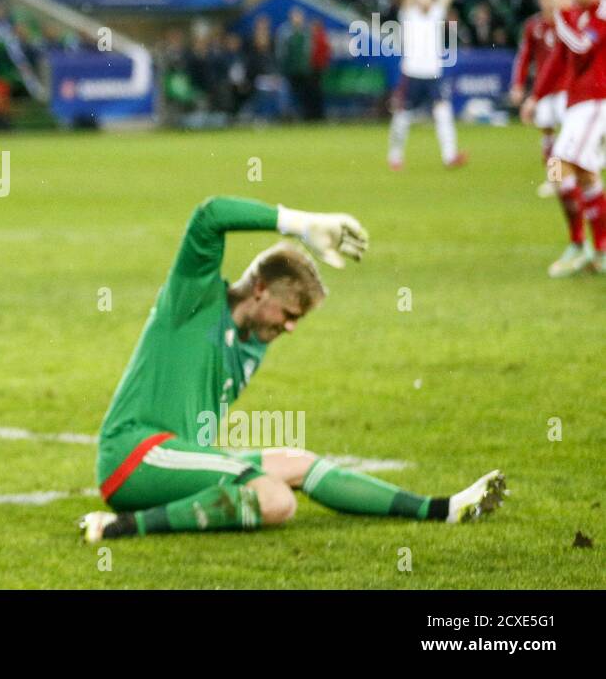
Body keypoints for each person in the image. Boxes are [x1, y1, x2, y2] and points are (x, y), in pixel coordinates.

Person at [79, 196, 505, 541]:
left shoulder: (253, 343)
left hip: (179, 458)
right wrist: (301, 224)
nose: (290, 328)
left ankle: (442, 509)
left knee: (299, 462)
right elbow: (209, 216)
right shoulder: (194, 301)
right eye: (288, 315)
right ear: (260, 290)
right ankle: (117, 528)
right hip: (136, 454)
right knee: (276, 501)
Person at [546, 0, 606, 277]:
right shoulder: (578, 15)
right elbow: (561, 59)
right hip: (579, 105)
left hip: (597, 102)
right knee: (585, 175)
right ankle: (599, 251)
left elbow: (582, 47)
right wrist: (535, 96)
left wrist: (559, 17)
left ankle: (577, 243)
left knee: (557, 165)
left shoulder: (600, 12)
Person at [387, 0, 468, 170]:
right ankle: (395, 156)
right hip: (412, 73)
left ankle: (449, 156)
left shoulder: (435, 14)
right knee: (402, 117)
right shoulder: (409, 15)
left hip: (433, 73)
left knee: (443, 113)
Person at [510, 0, 570, 198]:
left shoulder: (568, 23)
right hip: (543, 90)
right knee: (548, 134)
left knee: (569, 134)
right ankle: (555, 179)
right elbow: (524, 57)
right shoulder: (533, 26)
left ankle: (574, 175)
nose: (548, 0)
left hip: (567, 87)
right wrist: (518, 84)